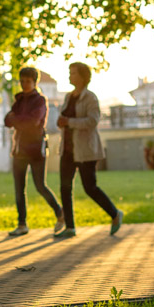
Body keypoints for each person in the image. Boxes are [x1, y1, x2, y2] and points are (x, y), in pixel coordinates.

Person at [55, 62, 124, 238]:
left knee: (90, 188)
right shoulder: (68, 97)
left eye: (73, 73)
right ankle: (70, 227)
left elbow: (93, 121)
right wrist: (61, 121)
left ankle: (115, 214)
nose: (70, 76)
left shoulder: (90, 98)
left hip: (86, 150)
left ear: (83, 77)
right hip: (67, 150)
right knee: (64, 187)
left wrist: (69, 122)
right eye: (69, 72)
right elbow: (66, 117)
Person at [4, 67, 64, 236]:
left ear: (35, 82)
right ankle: (22, 223)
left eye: (28, 81)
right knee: (19, 189)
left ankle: (60, 213)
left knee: (40, 185)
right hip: (19, 149)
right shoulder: (19, 100)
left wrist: (17, 119)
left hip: (35, 149)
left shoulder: (40, 101)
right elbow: (7, 120)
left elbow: (33, 121)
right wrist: (18, 120)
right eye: (22, 81)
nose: (24, 84)